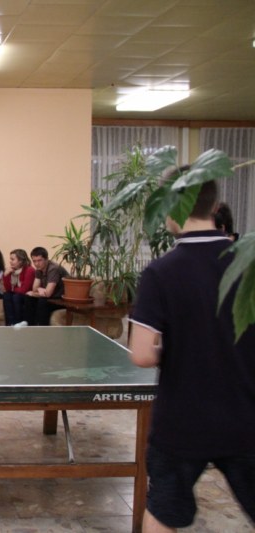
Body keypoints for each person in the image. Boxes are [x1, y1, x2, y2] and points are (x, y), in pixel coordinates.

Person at [128, 179, 255, 532]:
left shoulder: (160, 272)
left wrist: (180, 345)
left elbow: (142, 355)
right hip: (246, 414)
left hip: (182, 420)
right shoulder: (248, 265)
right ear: (215, 208)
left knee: (164, 510)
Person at [23, 246, 68, 326]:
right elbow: (35, 289)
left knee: (42, 301)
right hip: (52, 298)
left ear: (46, 259)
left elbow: (47, 293)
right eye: (34, 261)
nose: (36, 264)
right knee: (28, 298)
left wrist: (35, 292)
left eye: (39, 260)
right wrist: (39, 290)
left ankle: (42, 329)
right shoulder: (39, 269)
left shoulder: (53, 269)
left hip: (61, 300)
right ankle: (30, 327)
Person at [1, 248, 35, 326]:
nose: (10, 261)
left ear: (20, 261)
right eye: (10, 259)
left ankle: (18, 323)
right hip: (17, 293)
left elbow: (24, 290)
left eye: (13, 259)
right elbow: (8, 289)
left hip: (28, 296)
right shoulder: (11, 270)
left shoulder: (29, 270)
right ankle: (10, 324)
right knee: (6, 295)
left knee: (16, 297)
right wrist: (6, 275)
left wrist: (13, 289)